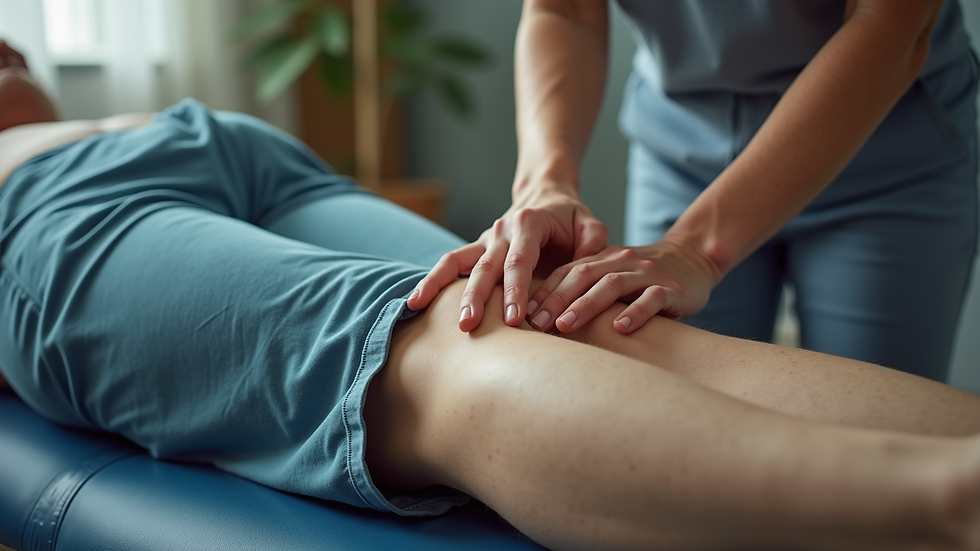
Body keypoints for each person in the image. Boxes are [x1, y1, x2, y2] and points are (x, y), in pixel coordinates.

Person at [6, 41, 980, 551]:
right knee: (448, 349)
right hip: (40, 205)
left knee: (564, 316)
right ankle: (940, 496)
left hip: (214, 143)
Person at [410, 0, 979, 382]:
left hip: (883, 153)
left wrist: (694, 251)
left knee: (867, 440)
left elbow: (891, 22)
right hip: (681, 147)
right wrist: (544, 182)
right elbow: (565, 8)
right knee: (676, 406)